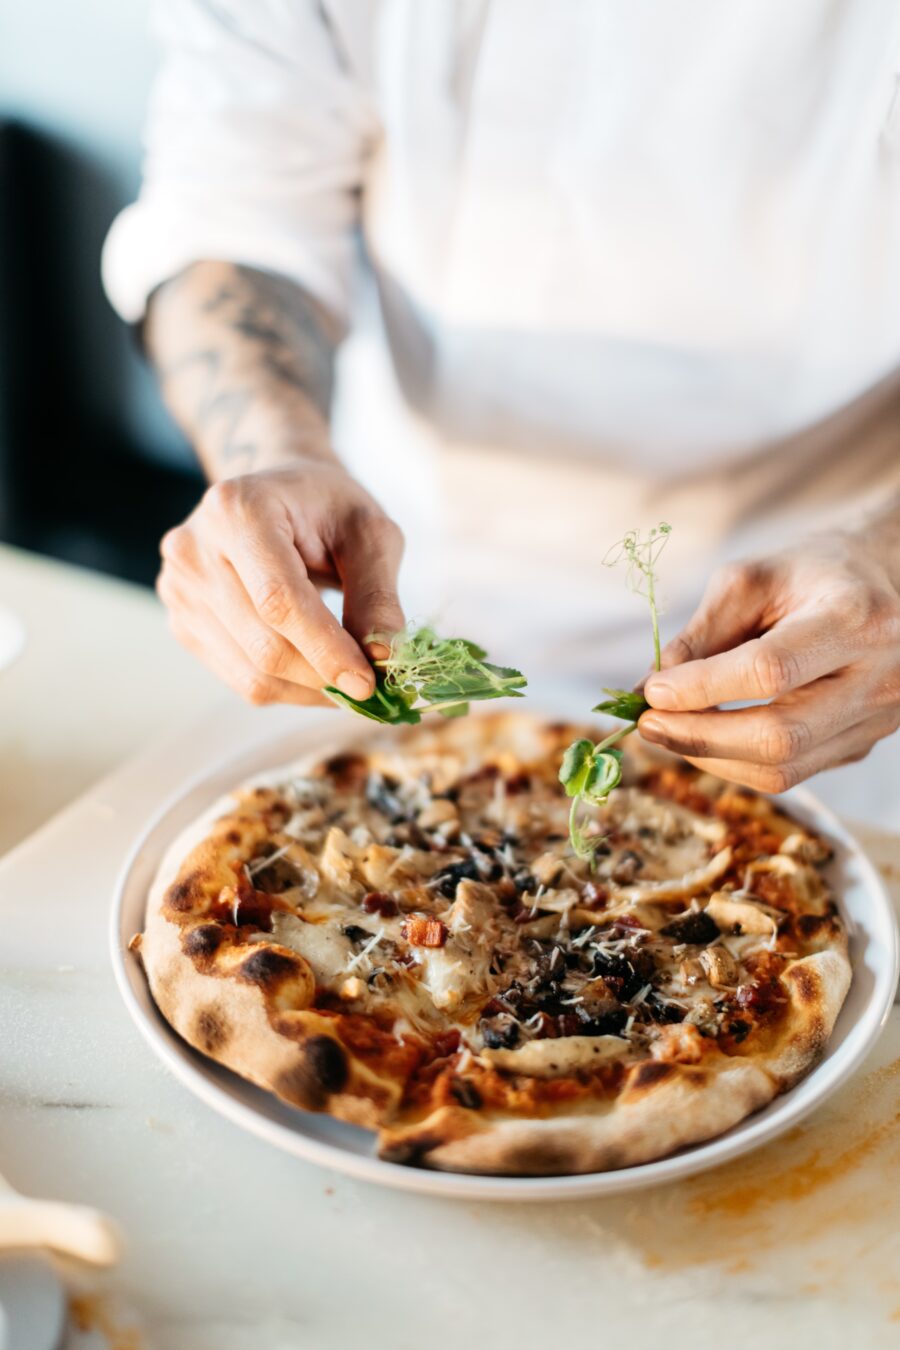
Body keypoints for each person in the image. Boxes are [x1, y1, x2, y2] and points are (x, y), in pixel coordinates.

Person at [104, 0, 900, 819]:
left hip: (825, 652)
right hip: (384, 603)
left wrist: (889, 561)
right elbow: (234, 211)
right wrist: (272, 455)